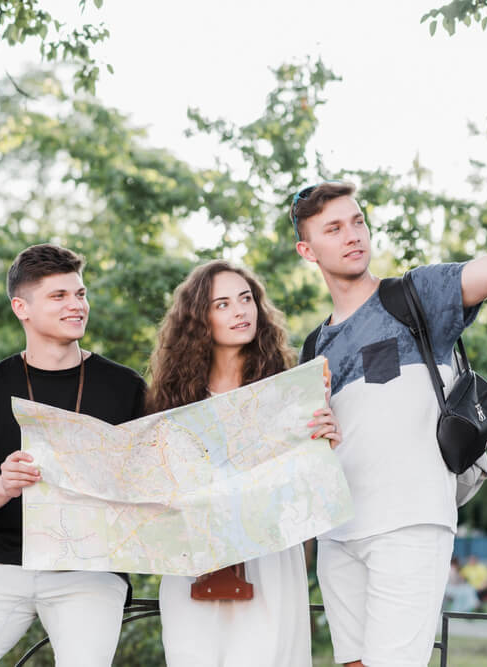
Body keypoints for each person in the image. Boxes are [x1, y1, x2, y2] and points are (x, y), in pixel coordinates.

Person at [290, 180, 487, 666]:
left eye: (357, 221)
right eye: (333, 228)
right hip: (339, 534)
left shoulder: (414, 297)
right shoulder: (312, 349)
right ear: (307, 250)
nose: (352, 235)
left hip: (410, 521)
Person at [0, 244, 146, 666]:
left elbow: (150, 487)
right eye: (59, 296)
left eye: (80, 294)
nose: (76, 305)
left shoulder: (126, 387)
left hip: (90, 568)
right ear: (21, 307)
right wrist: (4, 483)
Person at [147, 260, 341, 667]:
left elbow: (305, 489)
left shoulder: (289, 392)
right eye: (222, 304)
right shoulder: (172, 404)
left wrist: (325, 442)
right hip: (195, 564)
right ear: (198, 320)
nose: (240, 311)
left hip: (269, 560)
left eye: (246, 299)